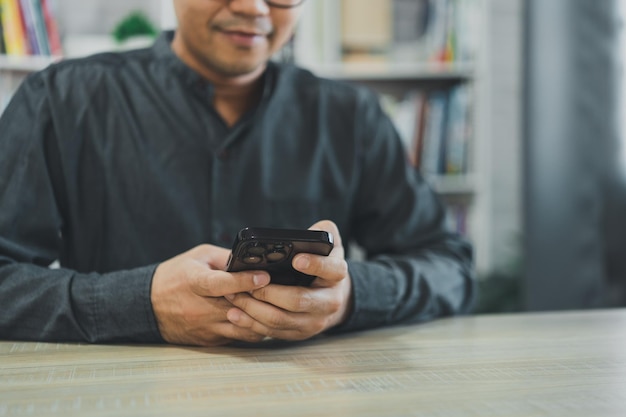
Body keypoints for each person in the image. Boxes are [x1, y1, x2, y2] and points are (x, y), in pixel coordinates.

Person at [0, 0, 475, 346]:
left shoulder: (350, 116)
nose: (253, 8)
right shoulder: (61, 100)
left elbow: (450, 266)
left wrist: (351, 297)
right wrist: (140, 303)